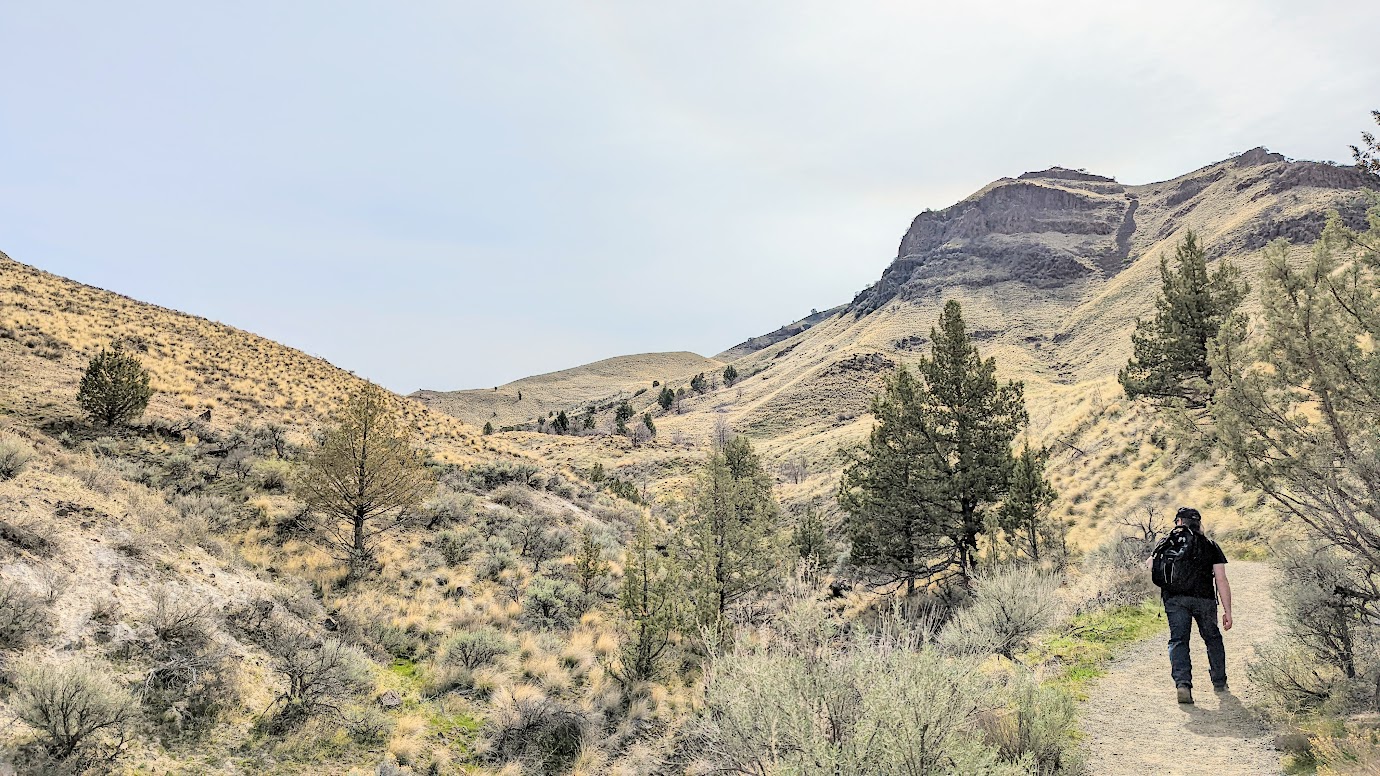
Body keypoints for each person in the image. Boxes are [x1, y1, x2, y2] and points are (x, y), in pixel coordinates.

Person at [1151, 506, 1232, 704]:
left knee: (1179, 640)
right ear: (1198, 523)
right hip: (1204, 600)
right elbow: (1221, 579)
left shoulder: (1168, 542)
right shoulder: (1210, 545)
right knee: (1212, 639)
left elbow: (1151, 564)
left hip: (1175, 599)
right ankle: (1219, 682)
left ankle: (1183, 685)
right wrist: (1227, 611)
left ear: (1179, 522)